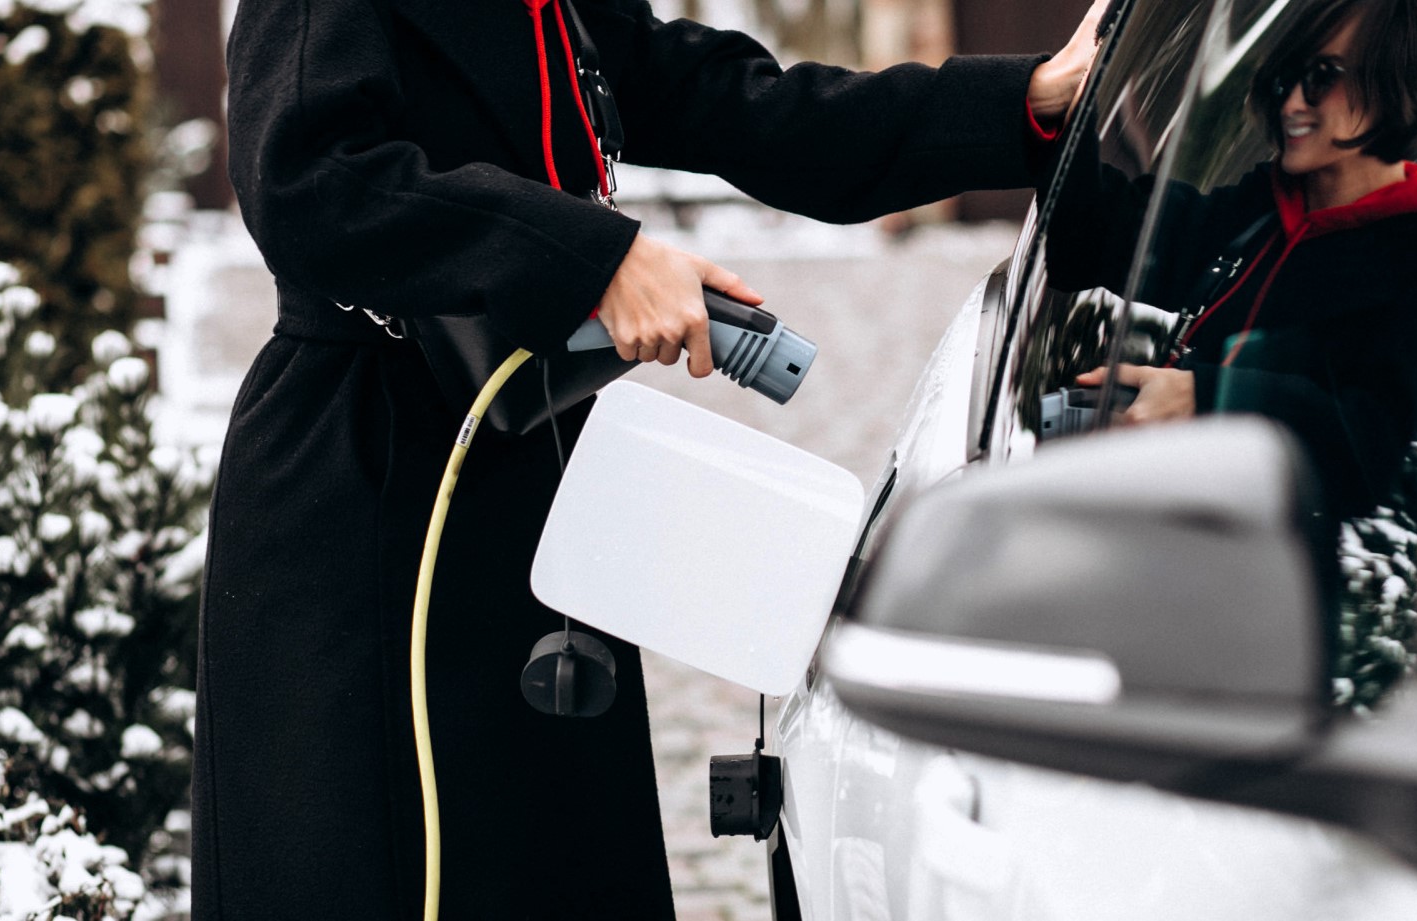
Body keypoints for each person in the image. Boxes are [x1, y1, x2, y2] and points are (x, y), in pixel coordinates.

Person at [192, 1, 1107, 919]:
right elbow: (307, 178)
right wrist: (592, 261)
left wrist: (1018, 100)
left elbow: (736, 104)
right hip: (370, 502)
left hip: (530, 459)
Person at [1029, 0, 1417, 519]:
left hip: (1276, 578)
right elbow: (1101, 235)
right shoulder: (1268, 208)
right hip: (1170, 524)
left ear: (1397, 80)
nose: (1291, 104)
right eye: (1288, 76)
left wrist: (1206, 395)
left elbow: (1369, 450)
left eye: (1322, 76)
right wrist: (1053, 101)